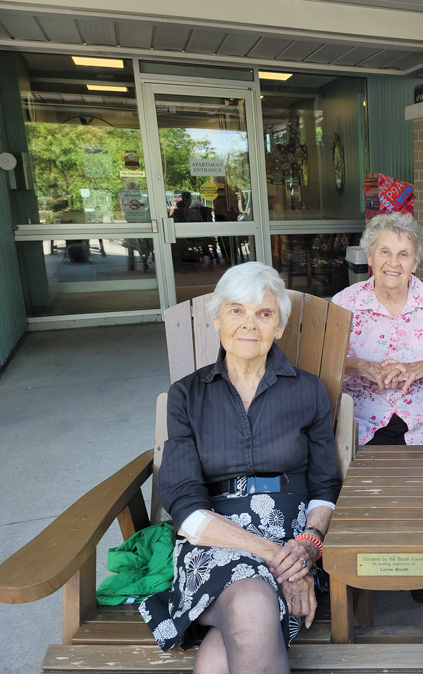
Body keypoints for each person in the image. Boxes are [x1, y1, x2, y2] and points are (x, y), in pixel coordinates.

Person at [140, 262, 341, 674]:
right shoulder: (187, 396)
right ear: (216, 319)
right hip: (214, 540)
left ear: (279, 327)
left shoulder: (307, 390)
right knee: (251, 600)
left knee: (226, 644)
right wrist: (278, 560)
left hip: (292, 538)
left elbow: (324, 486)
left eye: (264, 314)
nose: (249, 325)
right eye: (236, 311)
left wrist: (307, 546)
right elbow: (184, 505)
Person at [331, 212, 423, 447]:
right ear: (370, 256)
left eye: (403, 254)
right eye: (385, 252)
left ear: (414, 263)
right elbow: (326, 359)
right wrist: (362, 366)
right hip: (363, 424)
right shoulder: (345, 303)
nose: (393, 262)